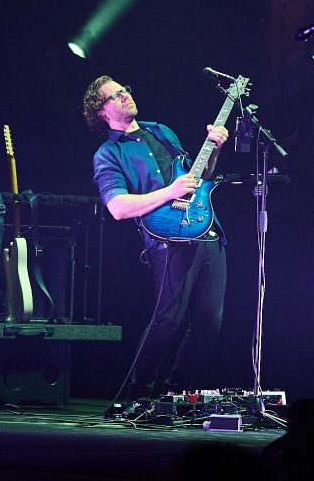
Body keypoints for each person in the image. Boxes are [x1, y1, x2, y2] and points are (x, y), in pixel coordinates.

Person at [84, 75, 229, 402]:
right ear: (102, 112)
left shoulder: (161, 132)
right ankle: (136, 397)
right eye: (115, 95)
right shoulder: (108, 154)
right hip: (167, 240)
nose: (125, 96)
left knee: (209, 325)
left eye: (125, 90)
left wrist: (215, 151)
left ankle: (177, 394)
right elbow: (119, 208)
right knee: (167, 320)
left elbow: (197, 179)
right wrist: (169, 192)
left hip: (208, 233)